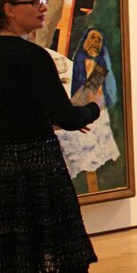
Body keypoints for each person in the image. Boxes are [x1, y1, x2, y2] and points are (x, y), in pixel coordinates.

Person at [0, 0, 102, 273]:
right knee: (72, 256)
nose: (42, 7)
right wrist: (93, 108)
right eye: (33, 2)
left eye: (43, 0)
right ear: (9, 9)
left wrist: (46, 119)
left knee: (18, 262)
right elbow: (68, 116)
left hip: (3, 165)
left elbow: (9, 110)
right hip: (39, 163)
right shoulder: (33, 56)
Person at [56, 28, 121, 181]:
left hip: (95, 105)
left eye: (98, 40)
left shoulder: (101, 62)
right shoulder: (79, 59)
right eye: (92, 38)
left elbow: (94, 86)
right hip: (80, 103)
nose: (94, 42)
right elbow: (77, 82)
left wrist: (91, 102)